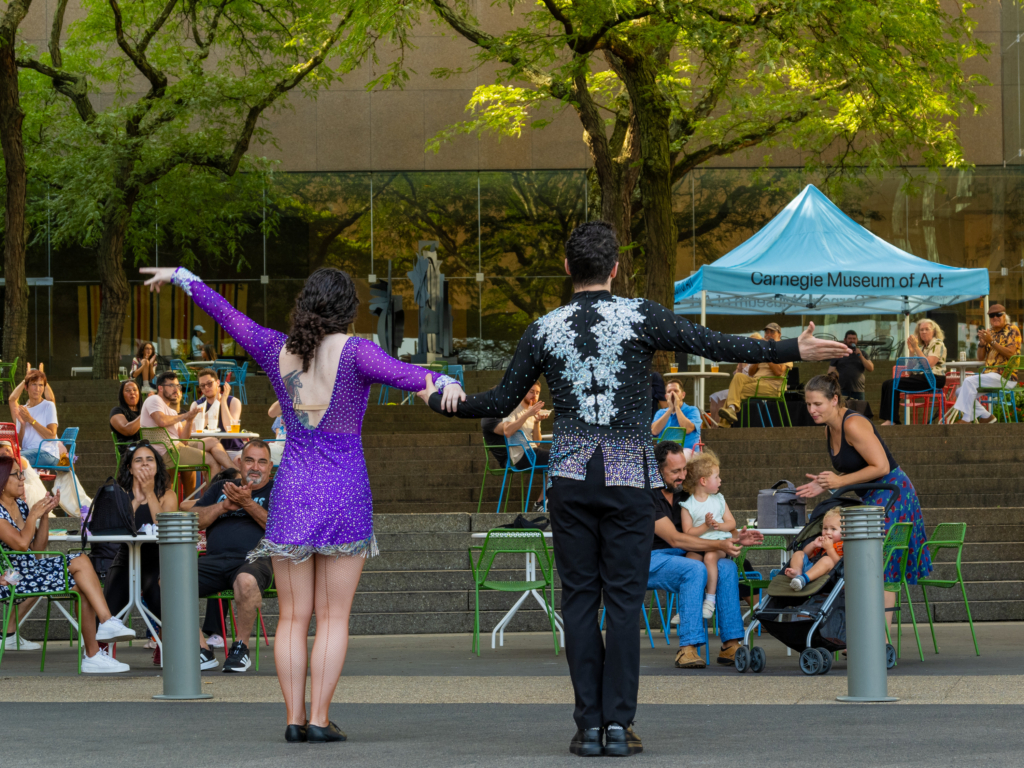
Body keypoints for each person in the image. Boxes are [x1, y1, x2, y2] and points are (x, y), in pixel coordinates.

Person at [421, 220, 849, 757]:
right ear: (615, 268)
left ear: (567, 268)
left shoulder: (544, 328)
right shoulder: (640, 315)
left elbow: (500, 398)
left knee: (578, 601)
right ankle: (619, 725)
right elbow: (710, 342)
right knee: (624, 601)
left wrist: (441, 398)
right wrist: (791, 346)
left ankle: (587, 727)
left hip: (571, 477)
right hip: (628, 477)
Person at [141, 264, 465, 744]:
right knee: (333, 617)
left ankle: (293, 719)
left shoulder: (276, 349)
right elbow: (410, 376)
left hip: (293, 490)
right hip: (345, 493)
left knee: (292, 616)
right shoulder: (357, 352)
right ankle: (319, 717)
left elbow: (227, 315)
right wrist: (442, 383)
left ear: (304, 304)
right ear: (347, 310)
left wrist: (182, 276)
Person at [796, 372, 932, 625]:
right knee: (865, 564)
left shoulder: (853, 423)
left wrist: (839, 481)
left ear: (834, 400)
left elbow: (880, 466)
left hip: (893, 493)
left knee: (881, 565)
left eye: (817, 404)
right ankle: (861, 636)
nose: (811, 409)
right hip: (872, 497)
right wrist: (824, 483)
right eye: (808, 404)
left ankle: (880, 641)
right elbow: (853, 466)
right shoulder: (829, 428)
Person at [0, 456, 136, 672]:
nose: (22, 478)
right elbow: (20, 544)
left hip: (31, 570)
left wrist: (43, 516)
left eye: (21, 473)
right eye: (17, 474)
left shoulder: (21, 507)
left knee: (82, 586)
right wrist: (34, 512)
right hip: (12, 578)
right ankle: (104, 627)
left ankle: (93, 654)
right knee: (80, 559)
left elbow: (37, 550)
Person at [646, 441, 762, 670]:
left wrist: (738, 538)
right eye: (675, 471)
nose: (682, 476)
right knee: (694, 568)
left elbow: (716, 529)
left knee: (727, 568)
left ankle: (731, 644)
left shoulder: (685, 496)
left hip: (684, 554)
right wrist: (721, 543)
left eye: (684, 469)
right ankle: (687, 647)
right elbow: (674, 539)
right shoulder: (646, 495)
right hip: (650, 558)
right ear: (658, 470)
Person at [193, 441, 275, 673]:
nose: (255, 467)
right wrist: (222, 507)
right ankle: (200, 648)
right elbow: (194, 518)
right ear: (239, 463)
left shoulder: (277, 490)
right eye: (249, 460)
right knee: (169, 579)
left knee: (245, 581)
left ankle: (241, 648)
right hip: (215, 560)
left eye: (261, 462)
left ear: (270, 466)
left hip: (256, 559)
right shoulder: (221, 487)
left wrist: (247, 503)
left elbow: (280, 529)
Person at [102, 440, 179, 665]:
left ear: (157, 466)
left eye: (150, 459)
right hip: (126, 558)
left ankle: (164, 643)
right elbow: (115, 529)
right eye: (138, 460)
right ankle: (100, 652)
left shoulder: (168, 495)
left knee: (160, 599)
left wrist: (150, 494)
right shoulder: (119, 494)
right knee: (110, 605)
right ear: (129, 468)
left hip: (157, 560)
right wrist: (136, 501)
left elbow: (164, 527)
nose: (145, 464)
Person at [7, 368, 92, 517]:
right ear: (26, 387)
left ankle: (28, 508)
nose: (38, 389)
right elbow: (20, 441)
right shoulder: (24, 410)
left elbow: (52, 434)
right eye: (34, 384)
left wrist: (31, 420)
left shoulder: (48, 406)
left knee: (12, 460)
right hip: (29, 453)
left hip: (46, 453)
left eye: (41, 385)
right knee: (13, 461)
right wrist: (23, 423)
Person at [678, 450, 735, 619]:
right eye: (716, 477)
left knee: (710, 558)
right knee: (690, 562)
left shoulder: (719, 499)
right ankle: (687, 605)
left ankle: (710, 600)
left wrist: (719, 525)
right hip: (697, 545)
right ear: (703, 481)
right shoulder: (687, 505)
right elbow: (688, 532)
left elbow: (732, 523)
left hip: (718, 544)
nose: (720, 480)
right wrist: (705, 526)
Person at [140, 370, 213, 495]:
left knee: (213, 443)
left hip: (173, 449)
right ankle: (211, 501)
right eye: (171, 385)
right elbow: (161, 421)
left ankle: (233, 473)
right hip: (167, 451)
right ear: (160, 388)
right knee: (211, 460)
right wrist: (185, 415)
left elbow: (184, 440)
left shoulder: (172, 412)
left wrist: (189, 420)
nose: (176, 389)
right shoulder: (154, 399)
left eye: (177, 386)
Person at [948, 304, 1021, 423]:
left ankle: (966, 419)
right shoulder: (989, 332)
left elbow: (1011, 353)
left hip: (1005, 376)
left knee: (968, 381)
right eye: (992, 316)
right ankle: (986, 415)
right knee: (959, 391)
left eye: (999, 315)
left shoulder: (1012, 329)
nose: (995, 317)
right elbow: (981, 357)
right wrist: (982, 343)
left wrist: (991, 341)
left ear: (1004, 316)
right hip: (990, 375)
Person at [717, 323, 794, 428]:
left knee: (735, 391)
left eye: (772, 332)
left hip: (773, 386)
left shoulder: (784, 350)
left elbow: (779, 372)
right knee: (738, 377)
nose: (768, 334)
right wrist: (760, 354)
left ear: (779, 334)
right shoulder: (763, 350)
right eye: (766, 332)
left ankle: (724, 423)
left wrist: (767, 354)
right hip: (756, 382)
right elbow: (751, 373)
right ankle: (731, 410)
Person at [879, 319, 947, 425]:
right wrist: (911, 351)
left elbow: (928, 365)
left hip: (934, 378)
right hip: (922, 378)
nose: (923, 332)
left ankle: (892, 420)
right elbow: (910, 372)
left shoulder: (937, 343)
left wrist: (916, 348)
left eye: (926, 329)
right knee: (886, 384)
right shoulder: (922, 348)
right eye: (921, 330)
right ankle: (891, 419)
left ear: (933, 331)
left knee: (893, 384)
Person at [194, 368, 244, 471]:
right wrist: (216, 404)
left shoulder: (234, 402)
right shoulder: (197, 405)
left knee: (239, 462)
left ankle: (239, 481)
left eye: (209, 384)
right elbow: (196, 428)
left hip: (233, 448)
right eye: (202, 386)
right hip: (210, 450)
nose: (206, 388)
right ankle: (212, 487)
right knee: (208, 462)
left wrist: (223, 402)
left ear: (217, 382)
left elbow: (229, 428)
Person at [708, 334, 762, 424]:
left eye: (754, 342)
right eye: (750, 342)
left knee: (722, 398)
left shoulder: (759, 359)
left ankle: (719, 428)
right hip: (737, 387)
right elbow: (737, 376)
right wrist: (740, 361)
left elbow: (753, 377)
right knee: (714, 397)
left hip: (748, 388)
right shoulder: (746, 358)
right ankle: (713, 426)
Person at [786, 508, 843, 590]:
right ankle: (797, 573)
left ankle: (803, 579)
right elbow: (805, 554)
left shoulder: (842, 545)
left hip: (827, 574)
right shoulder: (821, 542)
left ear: (844, 532)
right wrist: (813, 545)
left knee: (827, 559)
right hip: (811, 568)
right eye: (825, 528)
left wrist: (830, 548)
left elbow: (840, 565)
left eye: (833, 529)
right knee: (798, 553)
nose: (828, 532)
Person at [651, 381, 700, 454]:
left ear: (683, 395)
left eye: (676, 391)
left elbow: (688, 429)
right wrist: (670, 409)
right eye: (669, 391)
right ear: (666, 396)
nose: (672, 394)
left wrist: (677, 407)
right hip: (663, 452)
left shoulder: (692, 410)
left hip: (687, 451)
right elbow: (654, 431)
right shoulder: (660, 413)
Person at [828, 330, 874, 400]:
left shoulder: (863, 353)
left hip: (859, 390)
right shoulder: (839, 353)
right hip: (842, 390)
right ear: (845, 340)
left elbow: (870, 368)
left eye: (854, 339)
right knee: (843, 410)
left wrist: (860, 356)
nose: (852, 340)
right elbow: (830, 372)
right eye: (849, 338)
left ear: (857, 340)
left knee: (859, 410)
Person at [110, 379, 143, 451]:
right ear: (122, 395)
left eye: (135, 390)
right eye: (127, 390)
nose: (132, 392)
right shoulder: (117, 411)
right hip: (129, 451)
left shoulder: (145, 410)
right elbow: (128, 430)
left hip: (150, 449)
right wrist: (145, 412)